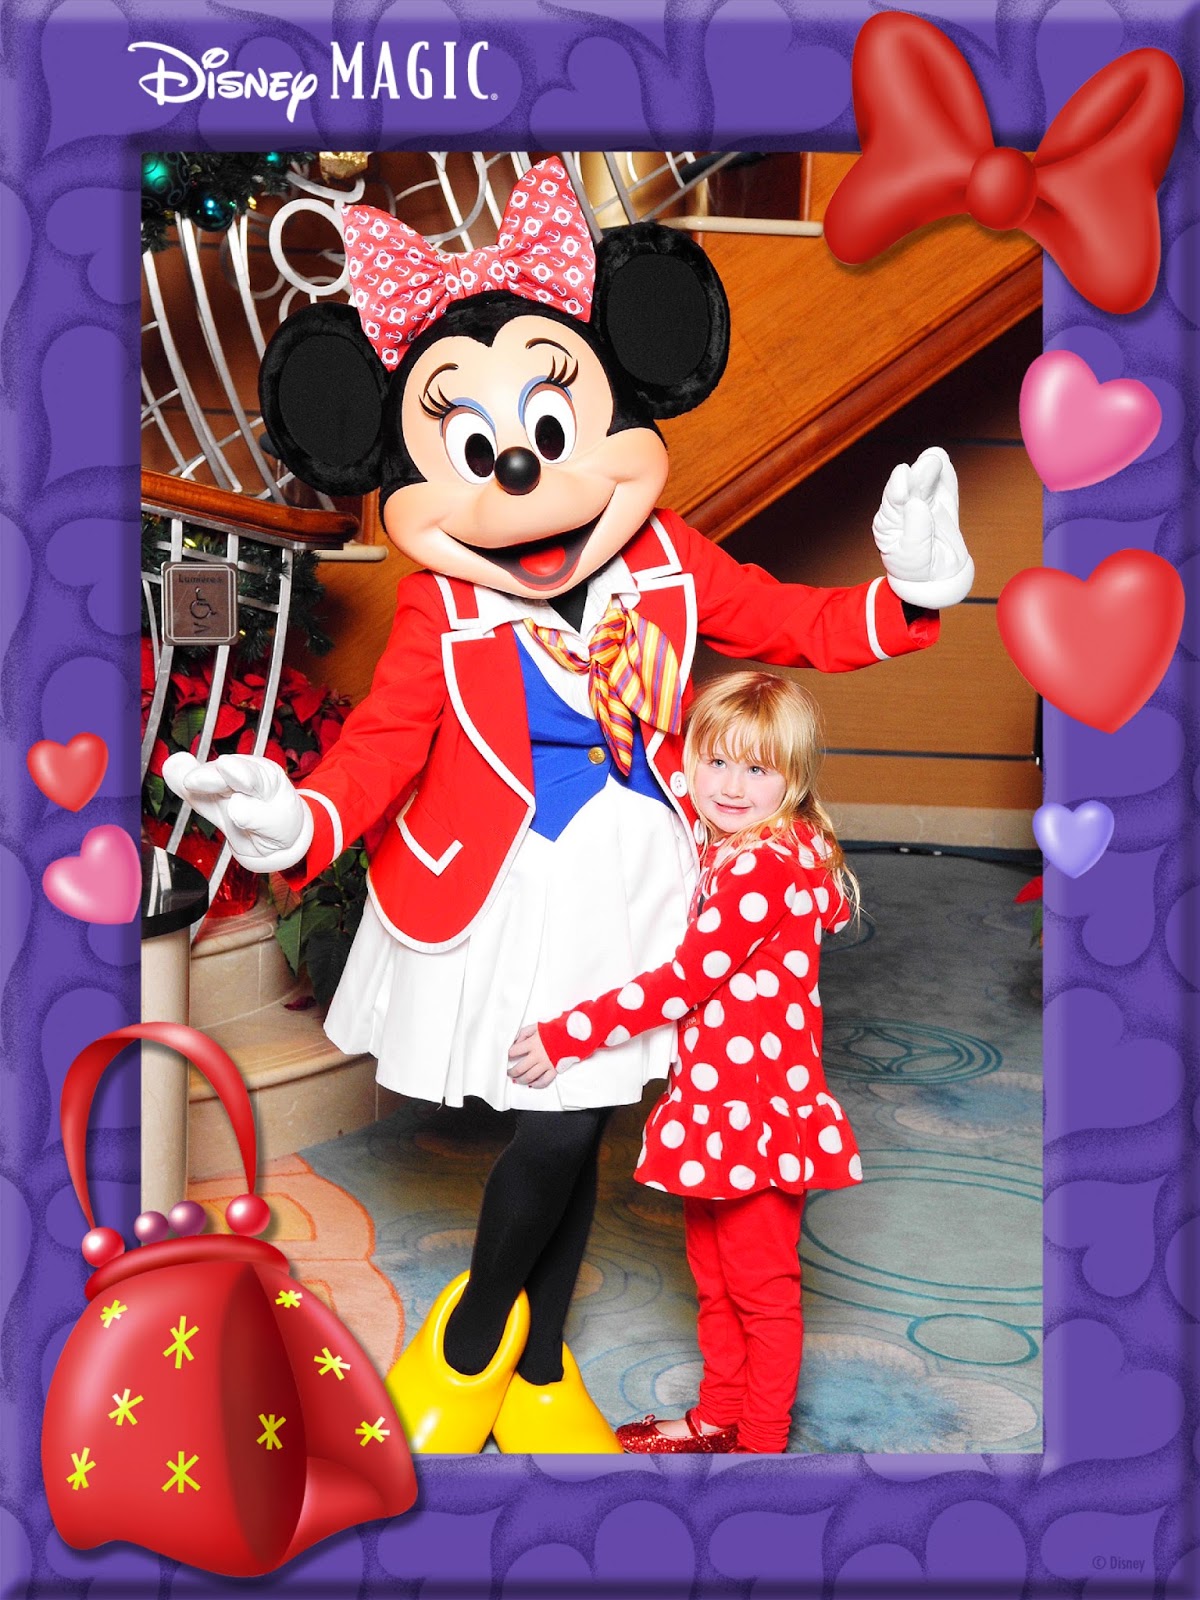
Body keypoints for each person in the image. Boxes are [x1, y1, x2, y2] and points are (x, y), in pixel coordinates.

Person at [165, 157, 972, 1454]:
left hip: (643, 883)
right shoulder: (441, 601)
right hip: (511, 889)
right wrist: (298, 819)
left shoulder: (667, 557)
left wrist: (911, 598)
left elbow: (795, 622)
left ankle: (519, 1356)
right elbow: (384, 744)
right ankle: (497, 1348)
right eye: (476, 453)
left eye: (551, 433)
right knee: (563, 1124)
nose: (524, 477)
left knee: (577, 1118)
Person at [508, 670, 862, 1454]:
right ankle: (717, 1415)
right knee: (713, 1274)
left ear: (794, 779)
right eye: (717, 762)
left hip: (755, 1112)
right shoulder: (749, 839)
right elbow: (673, 764)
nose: (730, 786)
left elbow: (683, 983)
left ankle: (759, 1445)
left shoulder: (761, 867)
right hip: (718, 1103)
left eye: (757, 769)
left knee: (762, 1290)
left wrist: (569, 1034)